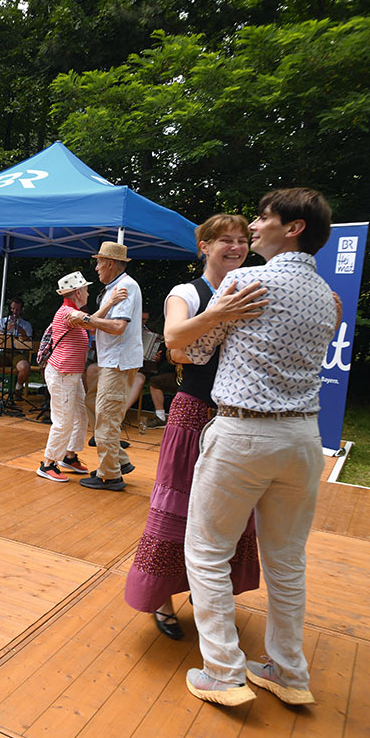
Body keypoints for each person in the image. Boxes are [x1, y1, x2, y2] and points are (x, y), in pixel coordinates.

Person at [182, 188, 338, 708]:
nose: (253, 224)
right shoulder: (326, 295)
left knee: (207, 552)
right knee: (287, 562)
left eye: (264, 216)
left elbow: (193, 349)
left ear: (293, 227)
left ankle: (224, 672)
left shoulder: (245, 280)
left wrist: (214, 314)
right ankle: (289, 672)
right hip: (304, 438)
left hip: (243, 434)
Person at [124, 215, 267, 642]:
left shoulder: (256, 287)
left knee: (231, 512)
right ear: (203, 245)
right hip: (195, 414)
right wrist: (217, 313)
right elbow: (173, 339)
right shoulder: (188, 292)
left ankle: (214, 597)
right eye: (225, 239)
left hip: (239, 417)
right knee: (177, 508)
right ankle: (163, 598)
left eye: (242, 240)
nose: (237, 246)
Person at [67, 241, 143, 491]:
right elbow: (95, 322)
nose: (96, 267)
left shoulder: (125, 286)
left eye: (99, 262)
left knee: (106, 418)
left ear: (110, 263)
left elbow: (118, 326)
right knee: (92, 403)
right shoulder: (113, 288)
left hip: (118, 363)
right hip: (111, 361)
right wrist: (89, 319)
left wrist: (85, 318)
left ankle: (110, 475)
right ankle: (118, 460)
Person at [36, 272, 92, 482]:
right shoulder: (69, 313)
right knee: (63, 421)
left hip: (71, 375)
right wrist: (111, 302)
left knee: (80, 416)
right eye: (85, 289)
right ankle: (48, 463)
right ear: (78, 292)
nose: (88, 292)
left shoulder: (72, 311)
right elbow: (92, 322)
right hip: (62, 374)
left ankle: (69, 457)